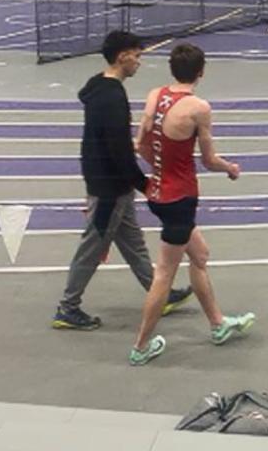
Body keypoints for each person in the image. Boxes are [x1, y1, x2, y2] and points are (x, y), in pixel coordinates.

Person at [52, 30, 191, 331]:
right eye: (137, 56)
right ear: (122, 56)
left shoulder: (97, 86)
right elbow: (118, 149)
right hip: (109, 187)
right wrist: (144, 183)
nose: (139, 62)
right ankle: (68, 308)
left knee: (133, 243)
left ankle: (161, 293)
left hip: (111, 183)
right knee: (92, 246)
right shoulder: (113, 97)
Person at [129, 42, 255, 365]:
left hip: (157, 191)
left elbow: (140, 144)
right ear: (201, 72)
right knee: (164, 274)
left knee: (199, 255)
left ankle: (217, 324)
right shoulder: (199, 108)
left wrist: (160, 169)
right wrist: (231, 169)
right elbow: (209, 160)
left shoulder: (155, 95)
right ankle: (140, 346)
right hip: (180, 199)